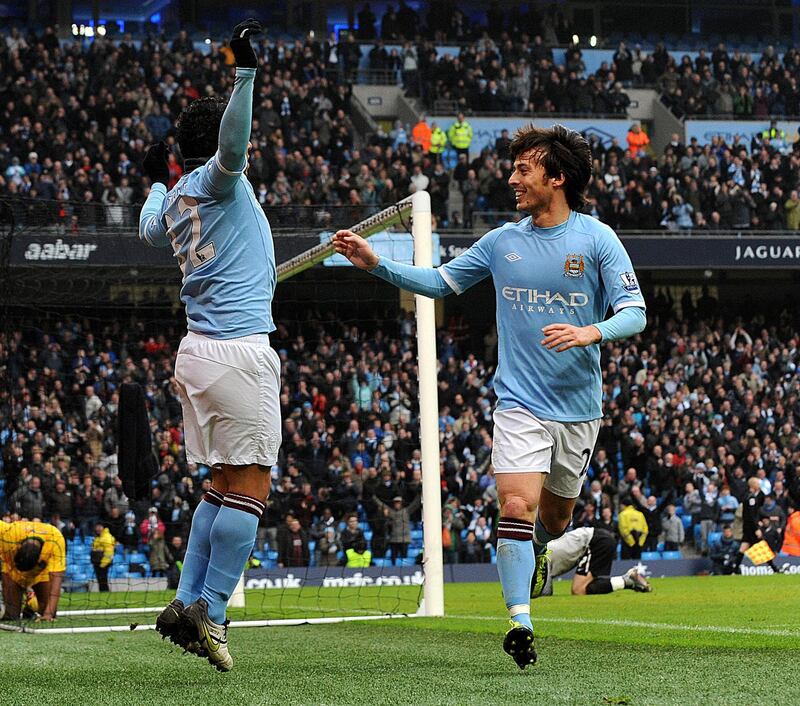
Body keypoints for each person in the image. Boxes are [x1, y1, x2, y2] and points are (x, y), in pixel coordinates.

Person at [333, 124, 646, 669]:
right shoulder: (502, 241)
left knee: (554, 518)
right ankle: (520, 621)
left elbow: (635, 313)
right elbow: (439, 282)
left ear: (557, 177)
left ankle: (544, 552)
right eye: (515, 167)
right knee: (515, 505)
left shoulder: (597, 239)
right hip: (520, 402)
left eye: (524, 169)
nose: (512, 177)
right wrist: (377, 264)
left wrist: (589, 331)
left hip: (578, 408)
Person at [139, 19, 281, 672]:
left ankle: (184, 599)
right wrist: (244, 75)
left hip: (196, 352)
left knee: (220, 485)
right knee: (252, 484)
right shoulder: (218, 182)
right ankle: (214, 613)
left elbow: (146, 228)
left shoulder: (171, 201)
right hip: (236, 350)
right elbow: (234, 144)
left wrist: (152, 183)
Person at [531, 527, 651, 598]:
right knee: (583, 588)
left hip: (594, 541)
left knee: (578, 590)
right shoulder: (538, 552)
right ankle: (626, 580)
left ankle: (627, 580)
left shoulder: (539, 558)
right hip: (596, 538)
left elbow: (544, 592)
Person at [0, 519, 66, 621]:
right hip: (12, 572)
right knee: (11, 617)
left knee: (49, 612)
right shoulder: (8, 532)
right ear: (19, 546)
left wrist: (48, 614)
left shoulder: (55, 538)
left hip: (40, 574)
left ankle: (30, 605)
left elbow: (56, 580)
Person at [90, 522, 115, 592]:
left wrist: (103, 563)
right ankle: (102, 591)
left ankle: (105, 591)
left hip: (103, 562)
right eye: (97, 526)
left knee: (103, 578)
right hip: (97, 561)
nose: (97, 528)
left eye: (99, 526)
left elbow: (109, 552)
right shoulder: (97, 537)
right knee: (100, 579)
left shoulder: (107, 537)